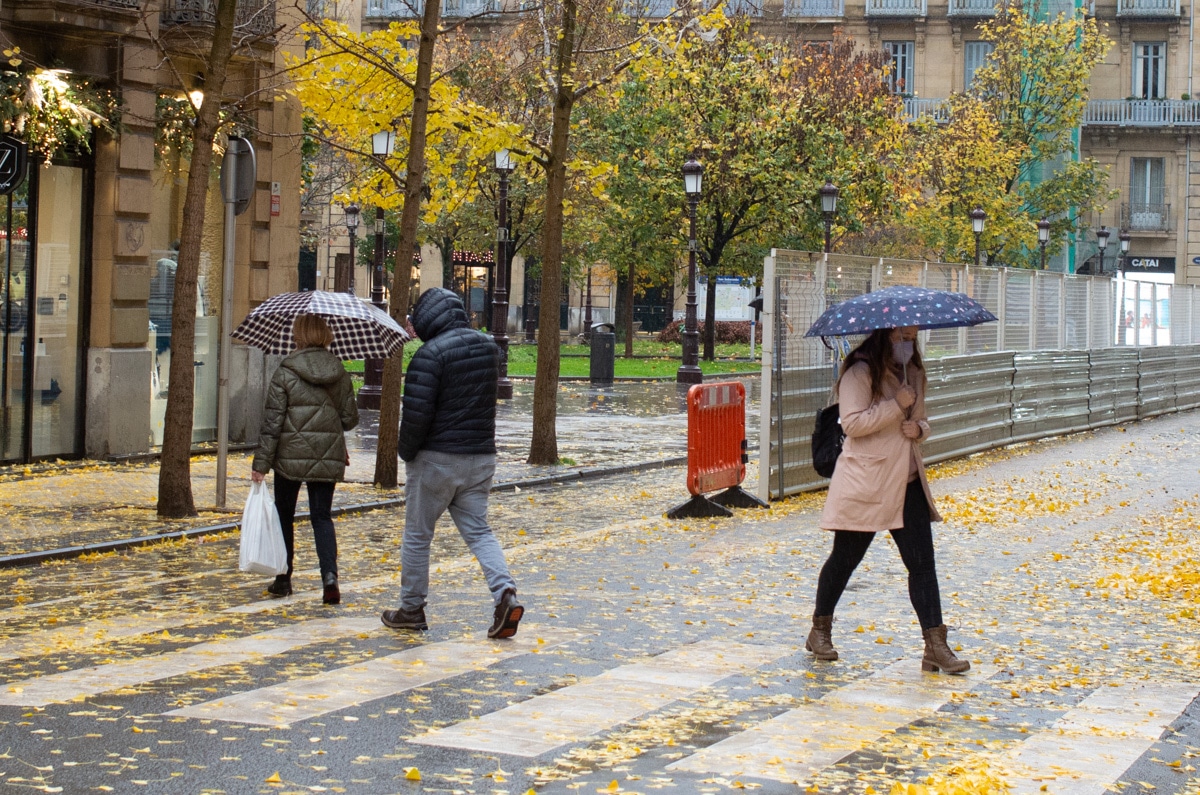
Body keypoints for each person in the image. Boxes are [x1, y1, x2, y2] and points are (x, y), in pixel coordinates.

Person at [805, 325, 969, 674]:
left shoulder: (915, 373)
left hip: (906, 478)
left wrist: (920, 429)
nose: (907, 344)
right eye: (901, 337)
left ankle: (935, 645)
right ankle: (819, 630)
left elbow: (921, 420)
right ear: (884, 336)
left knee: (922, 564)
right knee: (845, 558)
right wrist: (896, 406)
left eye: (912, 337)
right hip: (868, 482)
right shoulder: (860, 371)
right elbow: (852, 423)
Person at [380, 287, 523, 639]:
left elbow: (417, 415)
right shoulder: (489, 348)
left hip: (437, 459)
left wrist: (406, 452)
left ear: (428, 318)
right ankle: (505, 593)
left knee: (417, 536)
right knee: (478, 530)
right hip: (480, 457)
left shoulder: (429, 356)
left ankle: (411, 608)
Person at [251, 314, 359, 605]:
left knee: (284, 515)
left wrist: (261, 464)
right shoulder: (339, 371)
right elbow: (350, 419)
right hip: (327, 454)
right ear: (326, 335)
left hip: (289, 456)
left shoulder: (285, 371)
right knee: (321, 516)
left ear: (298, 335)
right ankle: (330, 578)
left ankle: (283, 578)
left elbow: (272, 423)